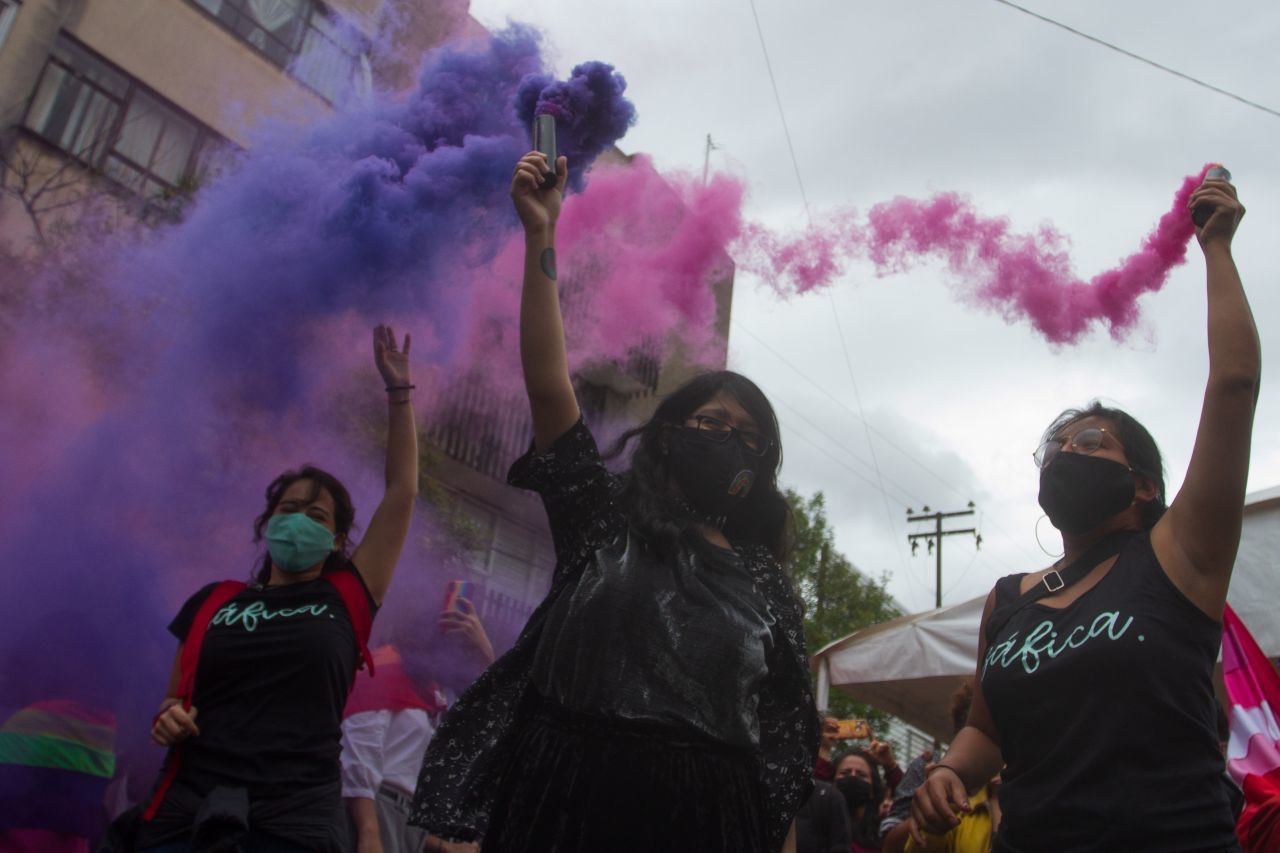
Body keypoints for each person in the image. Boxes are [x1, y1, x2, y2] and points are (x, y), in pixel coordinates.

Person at [409, 151, 818, 852]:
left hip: (703, 825)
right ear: (668, 434)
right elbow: (547, 384)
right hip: (561, 802)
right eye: (710, 423)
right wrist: (542, 234)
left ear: (761, 469)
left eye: (747, 437)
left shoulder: (768, 588)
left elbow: (782, 750)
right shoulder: (603, 521)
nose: (725, 441)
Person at [912, 174, 1257, 851]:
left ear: (1143, 485)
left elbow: (1235, 384)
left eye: (1091, 442)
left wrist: (1216, 247)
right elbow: (987, 727)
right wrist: (952, 768)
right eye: (1057, 446)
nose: (1067, 451)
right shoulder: (1007, 600)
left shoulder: (1181, 555)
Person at [133, 325, 419, 852]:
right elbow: (173, 701)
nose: (299, 520)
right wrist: (168, 719)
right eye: (288, 509)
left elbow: (402, 492)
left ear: (335, 540)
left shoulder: (348, 595)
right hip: (191, 803)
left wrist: (399, 394)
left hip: (295, 816)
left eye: (316, 515)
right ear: (267, 522)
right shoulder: (213, 601)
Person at [342, 598, 495, 853]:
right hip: (375, 809)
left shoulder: (432, 692)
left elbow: (488, 725)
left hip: (407, 819)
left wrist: (487, 655)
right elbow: (360, 750)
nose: (458, 659)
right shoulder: (387, 668)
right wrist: (368, 831)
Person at [835, 749, 888, 852]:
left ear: (873, 789)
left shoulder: (882, 836)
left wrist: (890, 766)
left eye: (861, 775)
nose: (853, 776)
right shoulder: (816, 824)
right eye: (845, 773)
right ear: (832, 782)